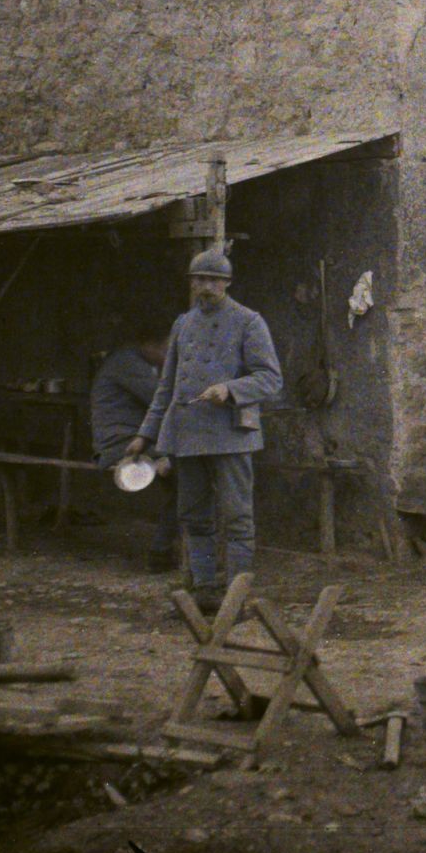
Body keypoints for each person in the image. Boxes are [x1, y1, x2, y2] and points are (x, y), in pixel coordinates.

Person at [125, 250, 283, 614]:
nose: (206, 286)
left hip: (231, 434)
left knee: (238, 518)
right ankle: (205, 591)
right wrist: (144, 435)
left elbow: (271, 378)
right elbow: (167, 387)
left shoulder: (249, 322)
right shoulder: (183, 324)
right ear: (191, 282)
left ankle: (237, 597)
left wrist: (230, 390)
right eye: (200, 279)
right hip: (189, 434)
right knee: (194, 516)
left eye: (214, 280)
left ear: (227, 283)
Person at [91, 327, 179, 573]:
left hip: (137, 440)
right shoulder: (127, 361)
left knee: (186, 478)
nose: (168, 356)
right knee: (188, 477)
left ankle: (165, 549)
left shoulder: (138, 361)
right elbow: (162, 399)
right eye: (166, 349)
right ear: (148, 343)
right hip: (120, 443)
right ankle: (161, 552)